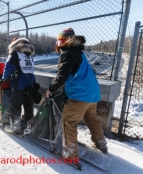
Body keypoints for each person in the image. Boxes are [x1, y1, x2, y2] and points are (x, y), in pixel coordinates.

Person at [46, 28, 107, 160]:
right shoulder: (80, 53)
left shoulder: (68, 53)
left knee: (68, 121)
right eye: (58, 40)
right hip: (92, 93)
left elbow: (61, 75)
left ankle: (70, 153)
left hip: (80, 95)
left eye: (60, 40)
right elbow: (74, 73)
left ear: (67, 41)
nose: (58, 43)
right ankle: (101, 143)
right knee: (92, 118)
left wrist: (50, 89)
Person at [2, 37, 36, 135]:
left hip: (19, 84)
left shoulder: (15, 54)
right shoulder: (29, 55)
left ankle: (16, 127)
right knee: (28, 104)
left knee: (15, 105)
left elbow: (8, 67)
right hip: (30, 85)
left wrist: (5, 77)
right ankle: (29, 124)